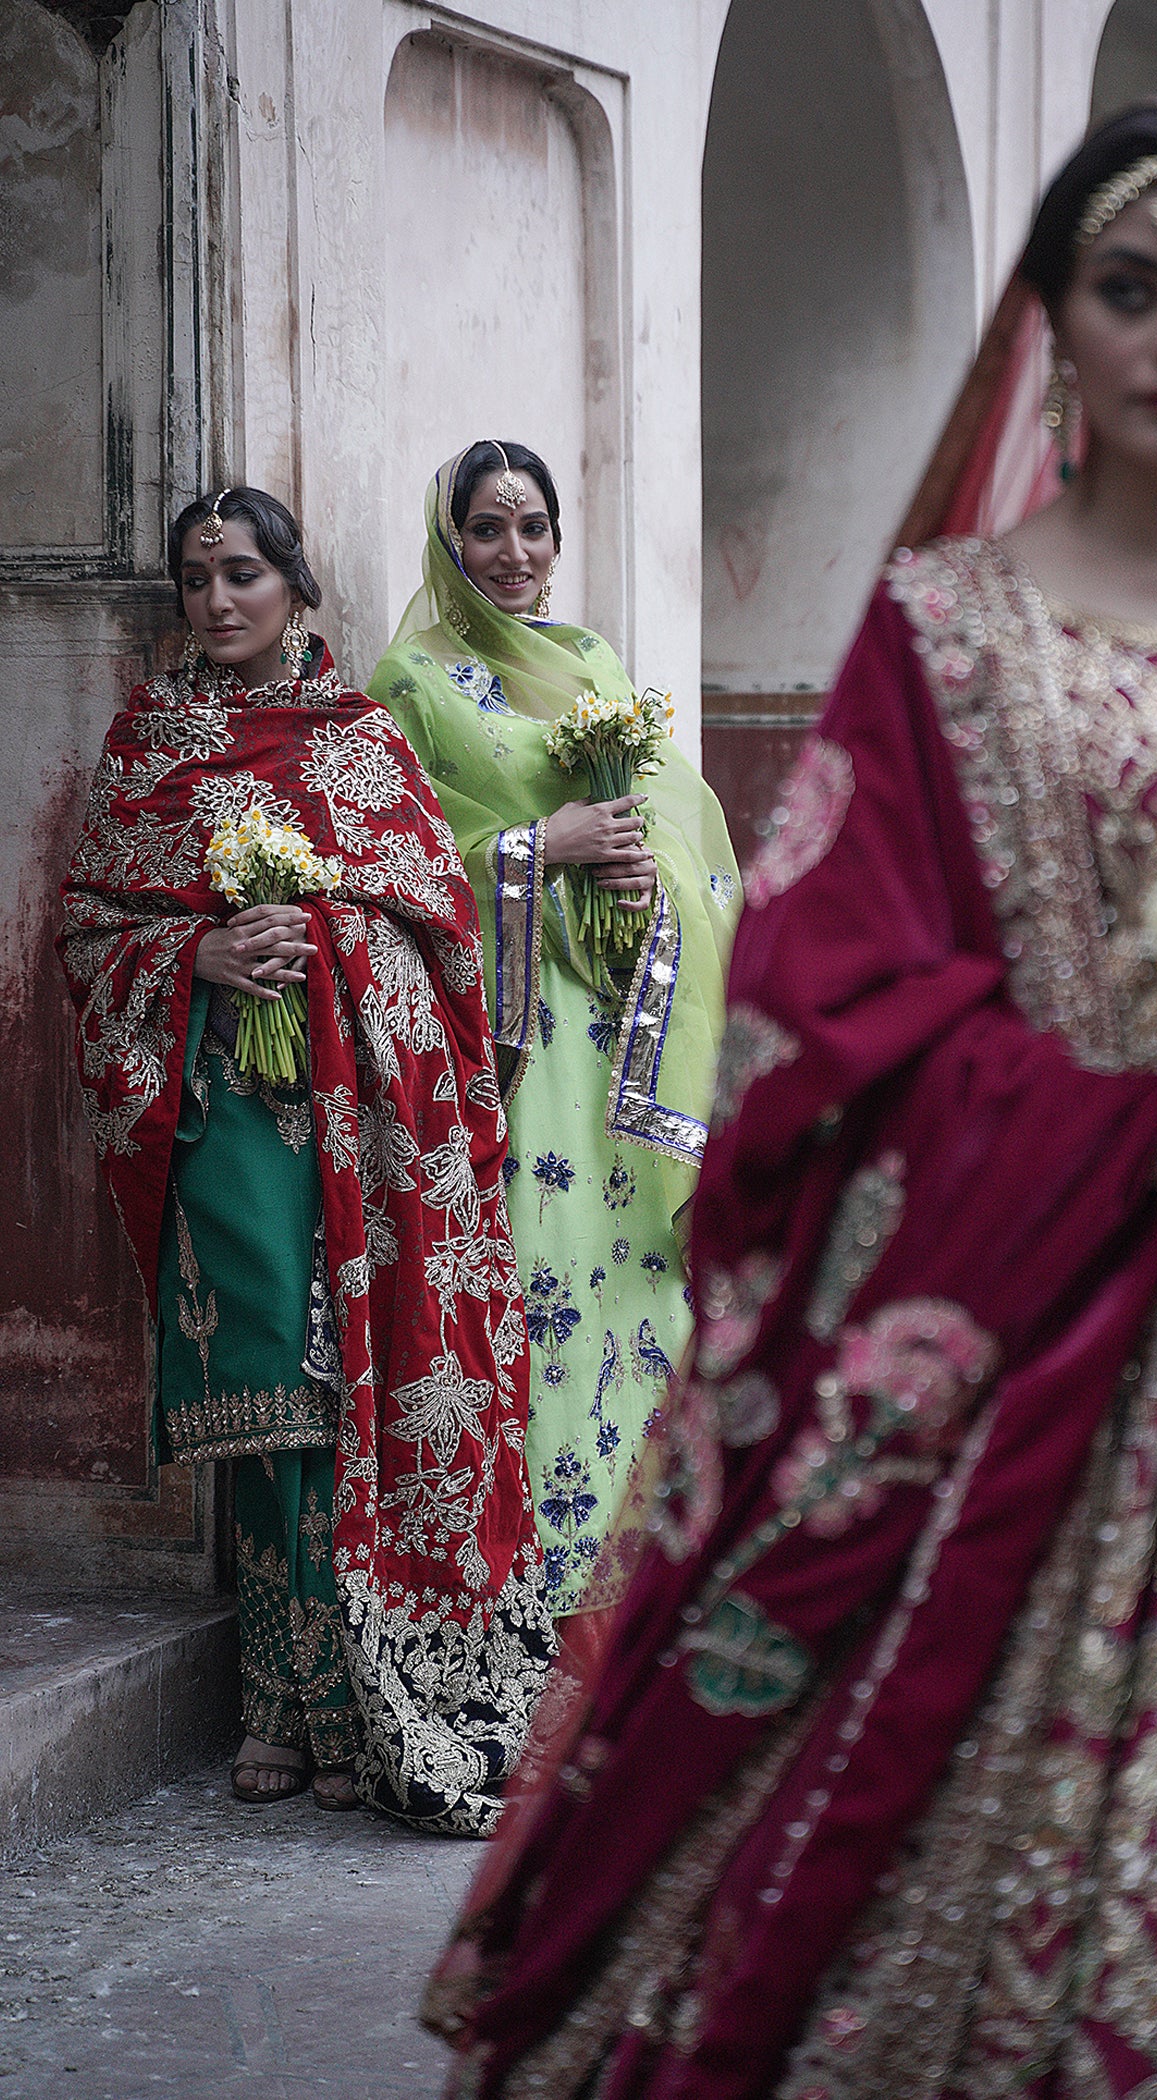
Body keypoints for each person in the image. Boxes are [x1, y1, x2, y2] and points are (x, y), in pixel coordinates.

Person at [422, 100, 1157, 2094]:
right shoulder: (948, 630)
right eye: (1131, 286)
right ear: (1055, 329)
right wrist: (1130, 1124)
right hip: (1021, 1349)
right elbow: (821, 1010)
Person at [59, 486, 553, 1832]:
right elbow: (90, 933)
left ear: (296, 584)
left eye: (241, 575)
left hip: (364, 1122)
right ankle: (283, 1697)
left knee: (347, 1401)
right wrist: (200, 952)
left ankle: (347, 1706)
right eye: (194, 580)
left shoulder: (362, 740)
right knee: (269, 1394)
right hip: (223, 1108)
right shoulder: (147, 744)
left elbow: (439, 931)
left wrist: (334, 943)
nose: (218, 603)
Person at [368, 444, 737, 1647]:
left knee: (636, 1278)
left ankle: (654, 1565)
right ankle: (531, 1594)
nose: (514, 554)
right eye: (486, 529)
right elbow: (394, 872)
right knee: (536, 1277)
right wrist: (541, 848)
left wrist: (640, 866)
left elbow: (676, 826)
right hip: (513, 1050)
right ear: (450, 543)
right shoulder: (412, 681)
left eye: (534, 527)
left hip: (621, 1030)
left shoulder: (591, 666)